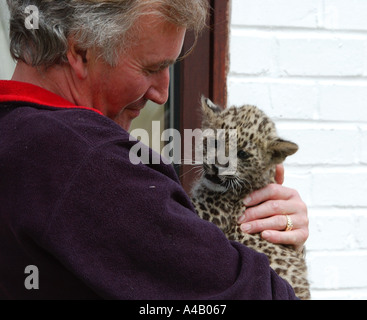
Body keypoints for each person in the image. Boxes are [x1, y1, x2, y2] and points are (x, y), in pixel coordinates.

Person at [0, 0, 308, 299]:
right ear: (80, 51)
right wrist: (276, 249)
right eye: (151, 68)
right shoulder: (91, 163)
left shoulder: (15, 134)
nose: (163, 94)